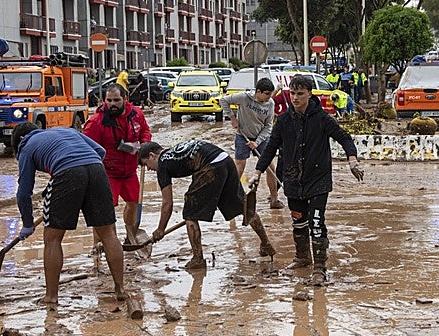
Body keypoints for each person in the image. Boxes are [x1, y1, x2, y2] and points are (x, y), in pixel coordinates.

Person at [249, 75, 363, 287]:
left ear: (310, 94)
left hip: (318, 179)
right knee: (298, 220)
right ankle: (302, 257)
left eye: (300, 94)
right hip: (292, 179)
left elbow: (344, 137)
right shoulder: (283, 121)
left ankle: (320, 268)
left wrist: (352, 161)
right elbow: (271, 147)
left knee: (317, 223)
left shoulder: (322, 119)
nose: (295, 98)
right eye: (292, 93)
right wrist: (257, 173)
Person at [11, 123, 126, 305]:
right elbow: (100, 151)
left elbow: (24, 192)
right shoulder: (67, 130)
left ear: (20, 140)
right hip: (97, 169)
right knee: (108, 234)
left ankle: (51, 297)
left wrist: (27, 223)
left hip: (67, 173)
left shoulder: (26, 146)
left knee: (52, 239)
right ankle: (120, 289)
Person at [138, 139, 275, 270]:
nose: (149, 169)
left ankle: (198, 259)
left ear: (152, 155)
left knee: (190, 214)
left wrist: (160, 229)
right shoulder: (173, 152)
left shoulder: (163, 164)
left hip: (211, 166)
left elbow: (167, 203)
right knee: (242, 207)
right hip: (225, 159)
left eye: (146, 164)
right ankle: (266, 243)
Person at [84, 83, 152, 244]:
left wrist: (144, 145)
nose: (112, 104)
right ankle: (100, 243)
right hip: (107, 173)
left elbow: (145, 131)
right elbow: (86, 148)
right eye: (109, 100)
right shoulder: (96, 122)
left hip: (129, 170)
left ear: (125, 99)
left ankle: (130, 235)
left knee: (134, 202)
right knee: (105, 210)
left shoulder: (136, 114)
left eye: (116, 100)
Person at [220, 77, 282, 209]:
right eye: (266, 94)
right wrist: (232, 118)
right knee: (239, 166)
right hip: (243, 137)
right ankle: (230, 199)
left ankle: (274, 199)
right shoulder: (244, 98)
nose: (269, 97)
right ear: (258, 91)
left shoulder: (270, 103)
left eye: (270, 94)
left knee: (270, 168)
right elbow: (224, 100)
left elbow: (268, 127)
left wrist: (257, 142)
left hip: (262, 139)